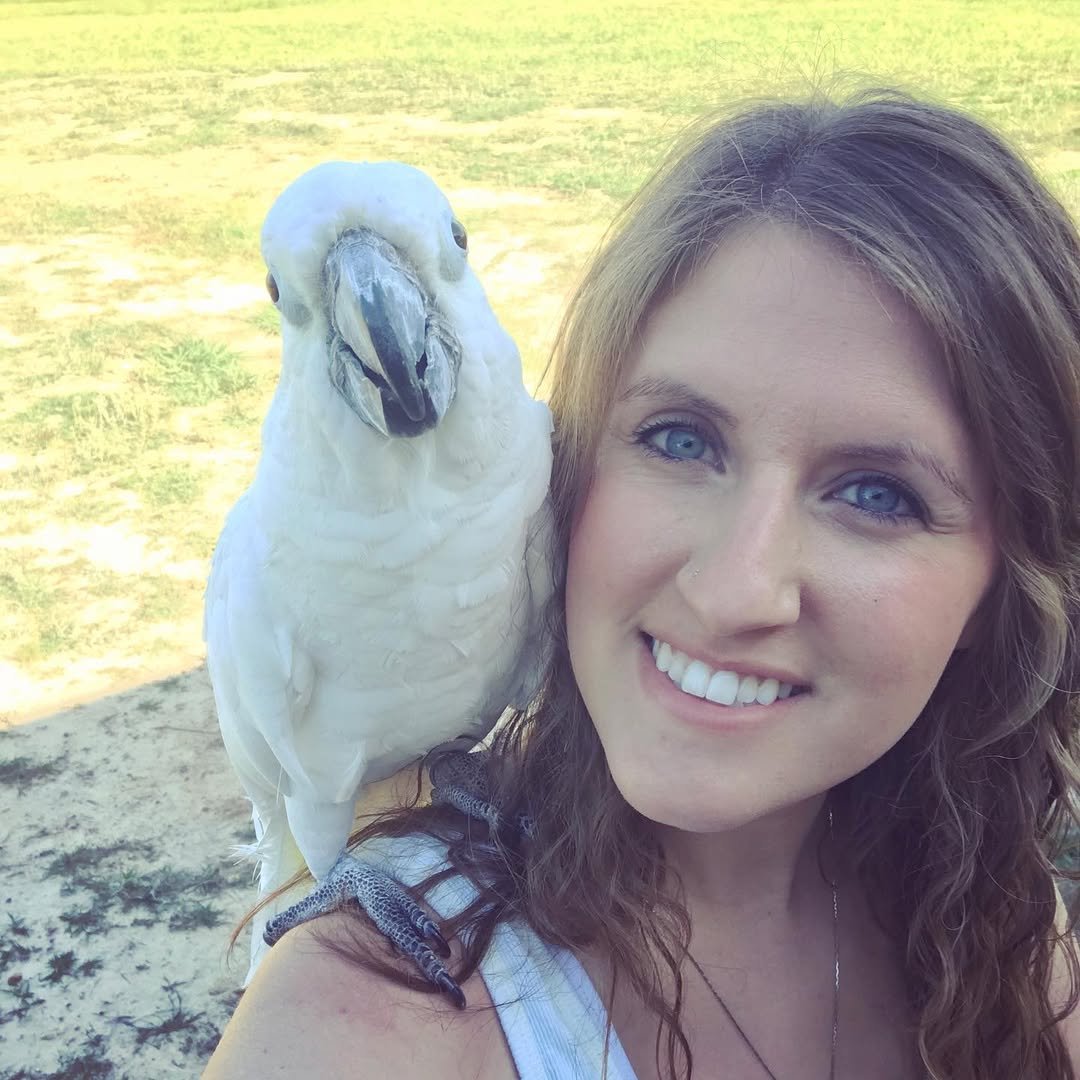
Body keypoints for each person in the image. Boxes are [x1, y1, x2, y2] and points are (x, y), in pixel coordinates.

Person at [204, 87, 1080, 1079]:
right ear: (584, 463)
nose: (733, 593)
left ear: (1008, 579)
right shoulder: (367, 1026)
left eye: (877, 493)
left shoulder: (997, 916)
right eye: (678, 438)